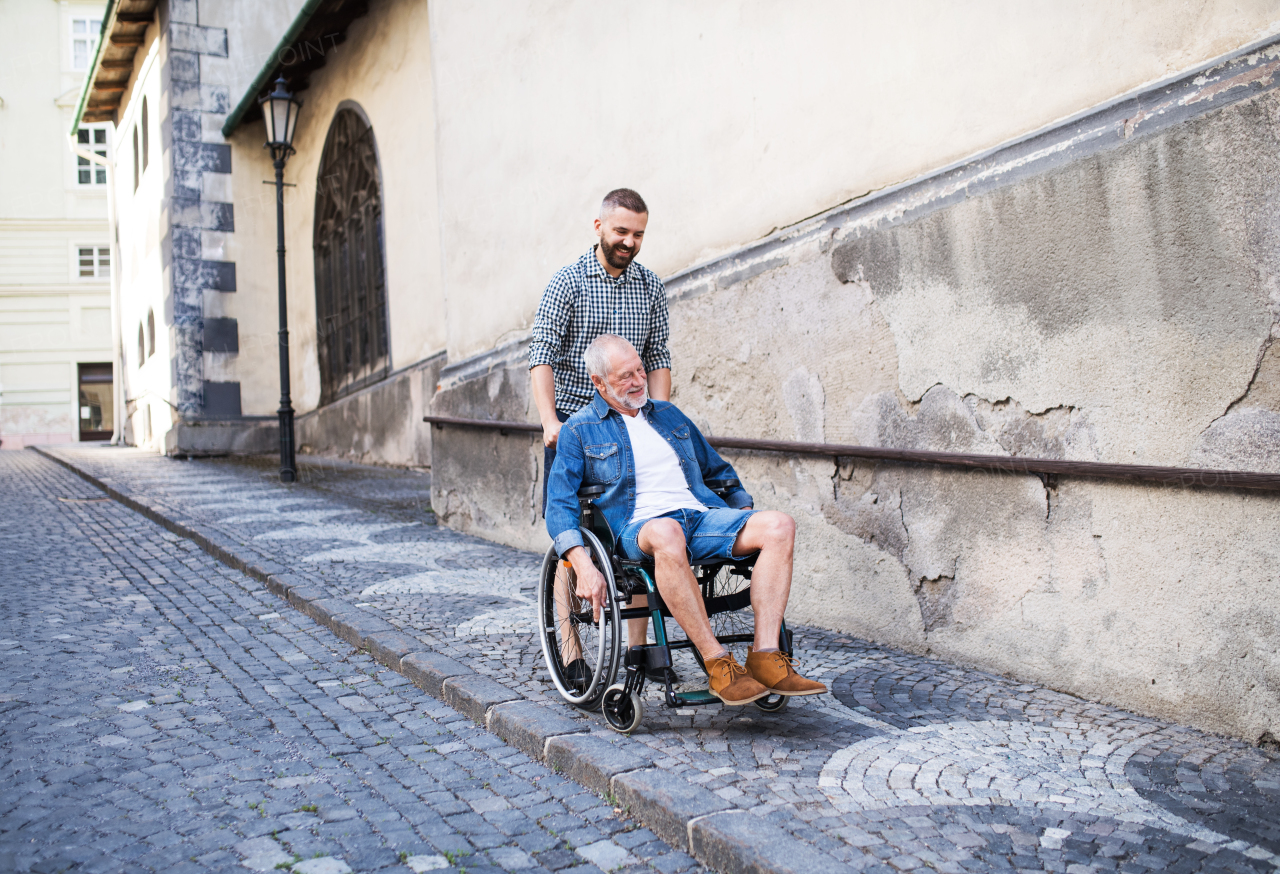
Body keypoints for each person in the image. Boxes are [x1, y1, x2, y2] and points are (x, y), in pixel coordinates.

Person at [545, 334, 828, 706]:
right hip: (638, 529)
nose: (638, 381)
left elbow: (719, 472)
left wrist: (740, 511)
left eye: (640, 370)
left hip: (699, 517)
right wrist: (583, 565)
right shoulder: (578, 431)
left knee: (779, 526)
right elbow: (559, 507)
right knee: (667, 530)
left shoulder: (668, 414)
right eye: (624, 377)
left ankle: (766, 658)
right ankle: (717, 663)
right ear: (598, 383)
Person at [530, 189, 672, 667]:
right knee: (568, 537)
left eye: (638, 234)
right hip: (574, 428)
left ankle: (637, 649)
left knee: (636, 528)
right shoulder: (567, 284)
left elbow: (658, 358)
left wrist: (662, 418)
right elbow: (542, 356)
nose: (629, 242)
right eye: (621, 232)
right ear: (599, 227)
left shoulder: (651, 287)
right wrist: (550, 421)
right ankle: (570, 650)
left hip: (631, 428)